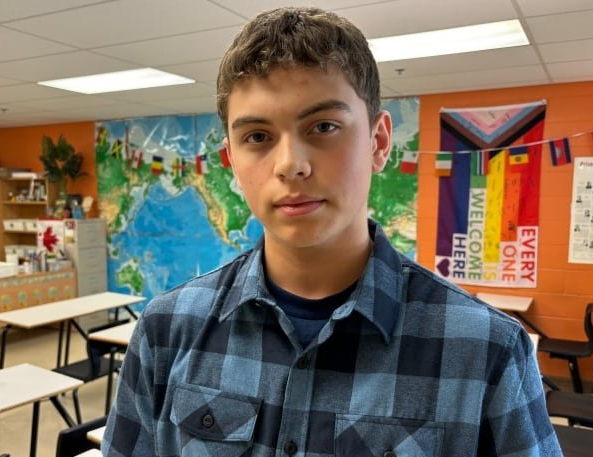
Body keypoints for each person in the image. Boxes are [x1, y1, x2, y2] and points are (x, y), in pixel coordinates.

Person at [103, 6, 561, 457]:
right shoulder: (165, 331)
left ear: (379, 143)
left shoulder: (486, 350)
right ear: (231, 163)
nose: (290, 165)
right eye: (258, 137)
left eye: (323, 126)